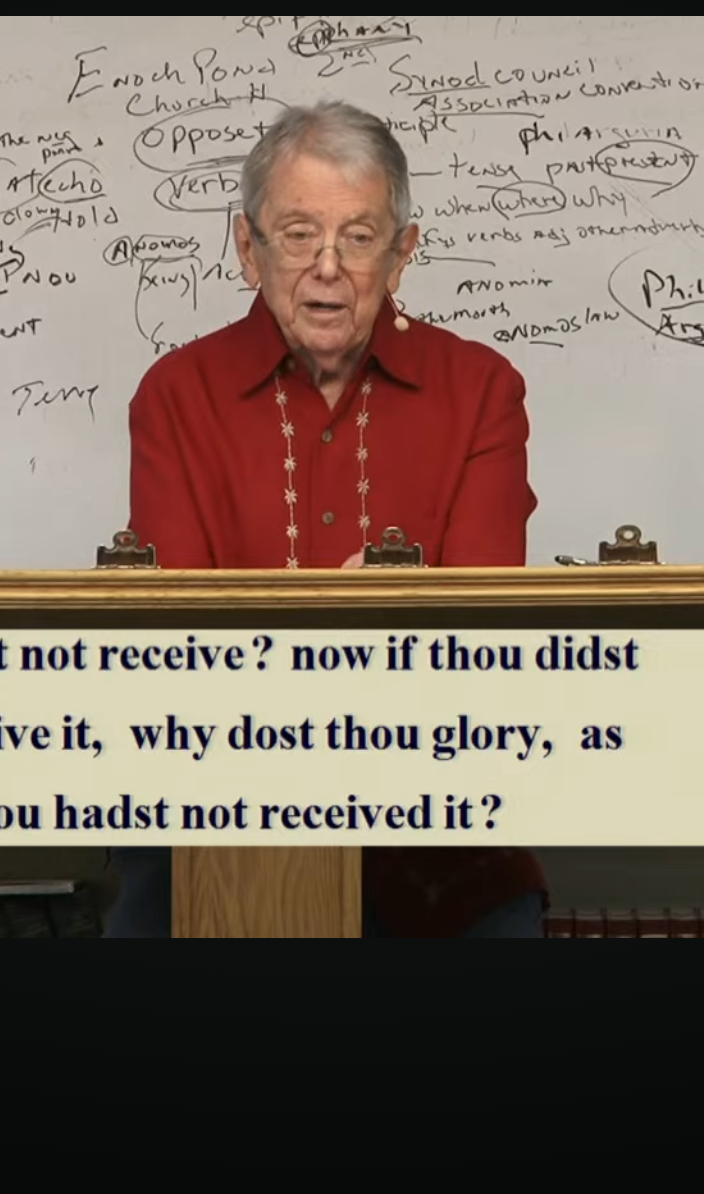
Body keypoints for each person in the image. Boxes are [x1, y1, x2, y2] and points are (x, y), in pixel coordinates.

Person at [104, 99, 547, 938]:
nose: (328, 268)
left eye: (360, 236)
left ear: (402, 252)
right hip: (214, 822)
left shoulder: (483, 389)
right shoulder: (175, 394)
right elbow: (176, 650)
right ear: (249, 249)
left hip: (437, 830)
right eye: (299, 234)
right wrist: (365, 627)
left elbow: (483, 645)